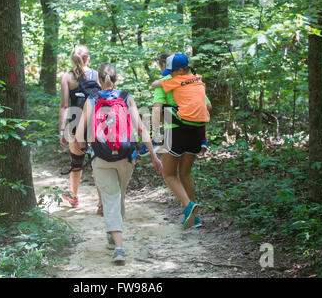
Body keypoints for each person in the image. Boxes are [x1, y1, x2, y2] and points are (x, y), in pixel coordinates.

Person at [74, 63, 163, 265]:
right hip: (126, 156)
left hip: (101, 157)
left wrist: (85, 148)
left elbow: (79, 133)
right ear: (117, 79)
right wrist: (153, 155)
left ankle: (118, 246)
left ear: (98, 80)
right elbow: (140, 129)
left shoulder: (92, 99)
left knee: (111, 197)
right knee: (118, 196)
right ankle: (116, 237)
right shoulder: (126, 97)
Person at [150, 53, 210, 229]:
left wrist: (155, 136)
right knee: (185, 174)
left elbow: (156, 109)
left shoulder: (167, 83)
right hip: (196, 132)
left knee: (168, 174)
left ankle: (188, 206)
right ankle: (195, 219)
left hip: (174, 132)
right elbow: (208, 106)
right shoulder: (195, 81)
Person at [59, 45, 103, 214]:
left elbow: (64, 106)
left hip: (75, 123)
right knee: (97, 164)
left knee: (76, 162)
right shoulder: (97, 75)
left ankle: (74, 195)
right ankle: (101, 204)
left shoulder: (67, 77)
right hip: (94, 124)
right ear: (88, 58)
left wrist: (61, 130)